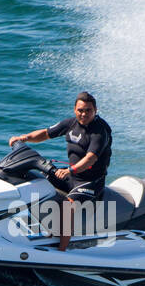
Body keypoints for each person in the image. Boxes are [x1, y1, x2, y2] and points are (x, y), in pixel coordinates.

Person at [8, 91, 112, 251]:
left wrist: (70, 170)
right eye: (80, 110)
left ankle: (62, 249)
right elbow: (45, 134)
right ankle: (34, 228)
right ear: (74, 110)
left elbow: (90, 159)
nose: (83, 114)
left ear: (95, 110)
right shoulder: (70, 124)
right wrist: (24, 138)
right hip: (71, 175)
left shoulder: (100, 131)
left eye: (88, 110)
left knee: (67, 206)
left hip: (91, 181)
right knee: (34, 181)